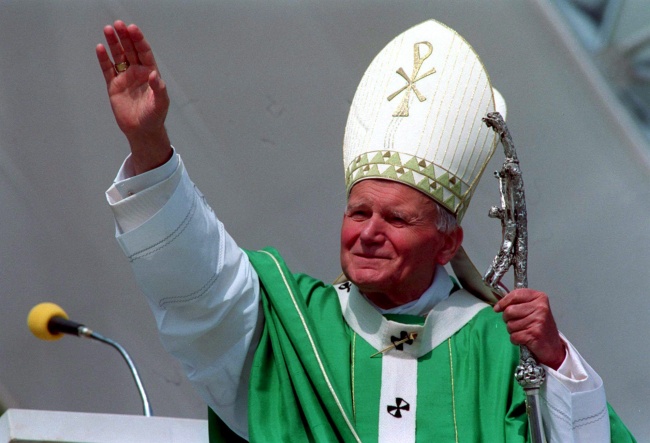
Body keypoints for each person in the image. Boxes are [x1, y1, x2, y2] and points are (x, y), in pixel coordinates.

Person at [97, 18, 634, 442]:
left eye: (396, 219)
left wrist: (556, 360)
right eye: (358, 213)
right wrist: (148, 144)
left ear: (447, 243)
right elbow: (199, 285)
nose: (369, 232)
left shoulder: (500, 348)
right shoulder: (295, 330)